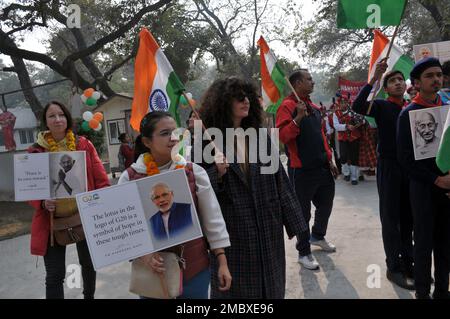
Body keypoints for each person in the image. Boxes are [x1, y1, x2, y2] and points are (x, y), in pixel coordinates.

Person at [198, 76, 308, 298]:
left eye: (247, 95)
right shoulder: (206, 140)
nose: (246, 100)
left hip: (268, 226)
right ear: (222, 102)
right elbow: (198, 189)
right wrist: (215, 173)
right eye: (238, 97)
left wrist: (298, 225)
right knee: (237, 292)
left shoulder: (260, 136)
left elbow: (280, 180)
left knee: (272, 287)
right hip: (233, 231)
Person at [118, 111, 231, 299]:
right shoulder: (130, 178)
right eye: (164, 133)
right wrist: (143, 255)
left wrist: (222, 260)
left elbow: (213, 219)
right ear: (147, 142)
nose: (173, 138)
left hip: (195, 271)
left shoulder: (194, 172)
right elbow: (125, 227)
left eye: (175, 132)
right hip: (154, 274)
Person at [28, 101, 110, 299]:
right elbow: (29, 188)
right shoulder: (35, 151)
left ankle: (88, 296)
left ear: (67, 118)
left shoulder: (84, 145)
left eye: (61, 115)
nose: (57, 119)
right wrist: (41, 202)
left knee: (89, 265)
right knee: (54, 275)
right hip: (51, 222)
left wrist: (97, 200)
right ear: (45, 122)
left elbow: (102, 180)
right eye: (52, 116)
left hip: (84, 216)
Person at [352, 60, 414, 290]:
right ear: (386, 88)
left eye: (400, 80)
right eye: (393, 81)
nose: (398, 83)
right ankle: (393, 267)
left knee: (409, 218)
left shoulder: (411, 108)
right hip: (389, 168)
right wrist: (374, 79)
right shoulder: (380, 106)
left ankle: (409, 262)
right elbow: (358, 106)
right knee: (391, 219)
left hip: (411, 170)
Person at [397, 57, 450, 299]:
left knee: (445, 244)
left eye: (439, 75)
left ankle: (441, 290)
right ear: (417, 83)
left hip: (448, 188)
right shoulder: (408, 113)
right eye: (430, 76)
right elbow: (406, 160)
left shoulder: (447, 109)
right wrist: (435, 180)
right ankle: (422, 292)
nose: (436, 79)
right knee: (424, 243)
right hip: (423, 188)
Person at [333, 95, 364, 185]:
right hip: (343, 138)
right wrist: (346, 126)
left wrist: (359, 123)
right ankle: (346, 173)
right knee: (343, 156)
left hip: (354, 137)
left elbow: (361, 120)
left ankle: (354, 177)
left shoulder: (353, 112)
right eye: (342, 103)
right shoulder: (336, 113)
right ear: (339, 104)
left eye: (345, 102)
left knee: (354, 157)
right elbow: (336, 126)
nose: (343, 104)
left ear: (348, 102)